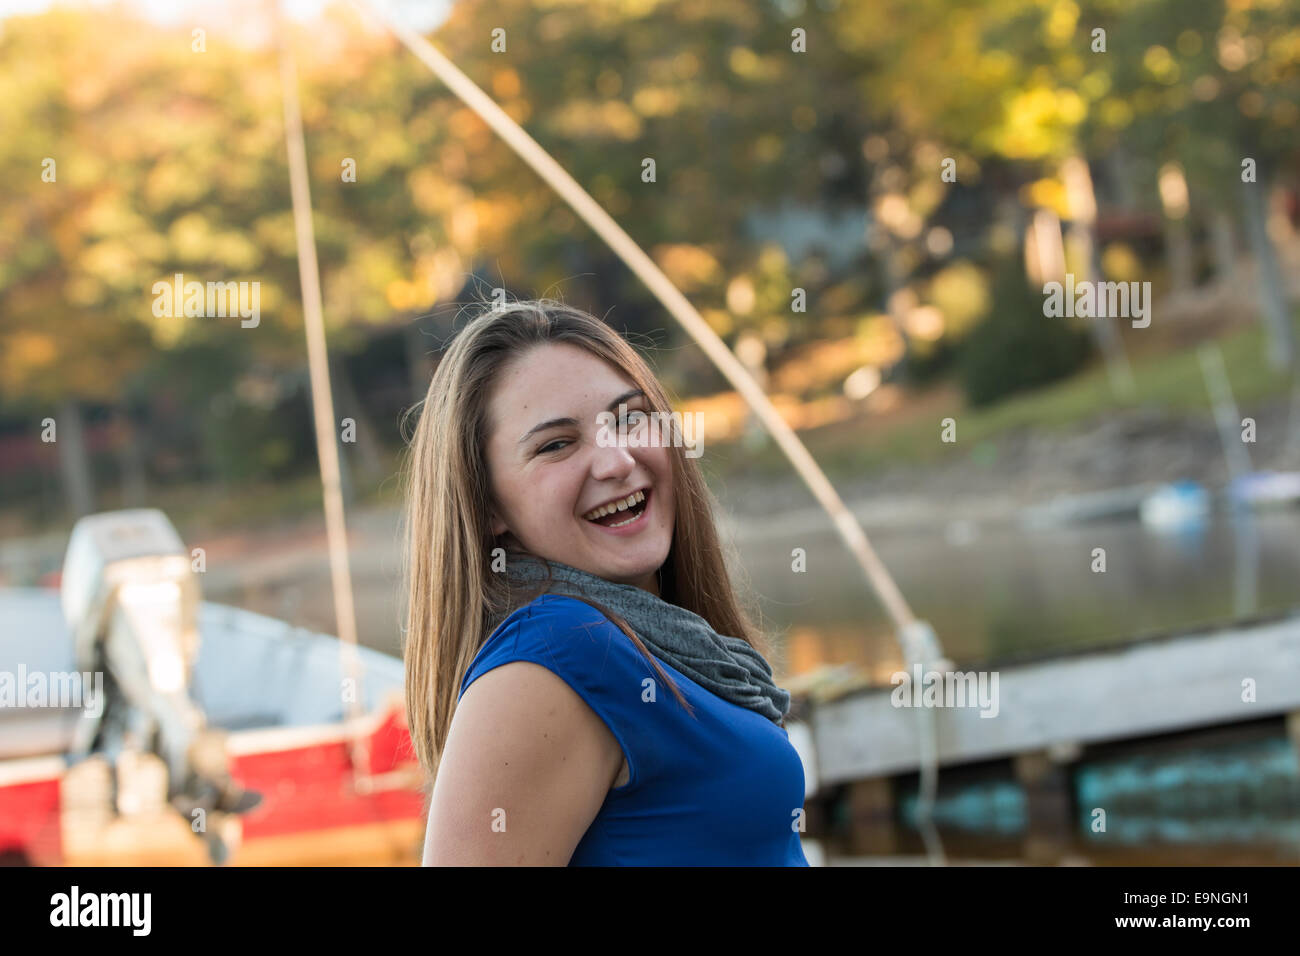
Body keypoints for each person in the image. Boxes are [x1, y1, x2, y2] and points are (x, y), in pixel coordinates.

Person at [402, 298, 809, 866]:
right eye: (556, 445)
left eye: (629, 418)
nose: (616, 460)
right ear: (488, 504)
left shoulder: (634, 643)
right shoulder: (559, 653)